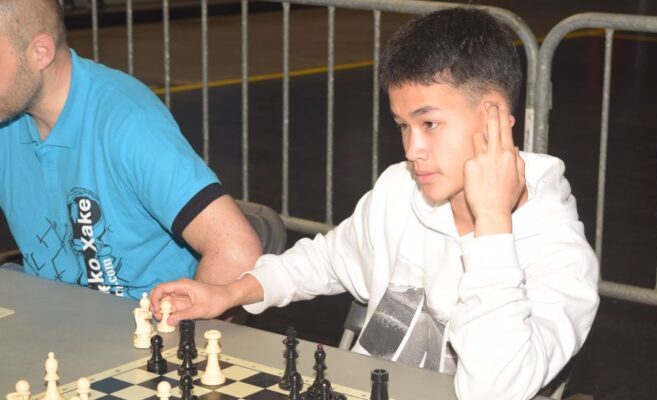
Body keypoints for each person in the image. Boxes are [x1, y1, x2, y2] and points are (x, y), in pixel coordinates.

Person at [151, 7, 599, 399]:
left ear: (494, 116)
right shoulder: (399, 190)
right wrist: (228, 292)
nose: (412, 149)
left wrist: (493, 222)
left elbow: (492, 391)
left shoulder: (559, 254)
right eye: (403, 126)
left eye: (429, 123)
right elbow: (325, 260)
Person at [0, 0, 263, 299]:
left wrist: (174, 326)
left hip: (140, 321)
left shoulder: (128, 123)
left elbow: (236, 252)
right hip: (54, 316)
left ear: (40, 52)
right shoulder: (8, 116)